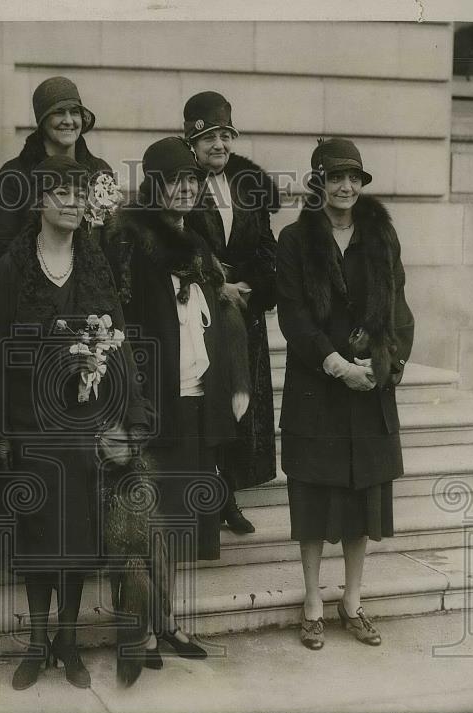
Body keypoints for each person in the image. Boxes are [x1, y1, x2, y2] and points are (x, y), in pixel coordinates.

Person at [0, 155, 150, 691]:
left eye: (80, 193)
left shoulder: (95, 262)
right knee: (36, 534)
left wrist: (130, 418)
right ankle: (36, 643)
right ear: (38, 202)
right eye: (62, 193)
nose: (74, 203)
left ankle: (70, 642)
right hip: (30, 421)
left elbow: (119, 341)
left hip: (84, 422)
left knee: (77, 533)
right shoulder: (12, 269)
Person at [104, 137, 252, 668]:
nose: (187, 189)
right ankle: (139, 631)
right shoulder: (129, 238)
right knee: (141, 519)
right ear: (154, 184)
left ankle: (167, 623)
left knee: (172, 519)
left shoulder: (196, 236)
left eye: (193, 181)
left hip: (193, 397)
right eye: (176, 181)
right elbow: (118, 320)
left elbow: (211, 303)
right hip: (150, 399)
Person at [275, 138, 415, 651]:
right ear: (318, 182)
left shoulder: (382, 236)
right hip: (317, 388)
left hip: (369, 390)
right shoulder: (294, 240)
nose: (346, 186)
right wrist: (336, 365)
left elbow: (399, 307)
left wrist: (385, 367)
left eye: (354, 177)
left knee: (363, 500)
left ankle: (352, 601)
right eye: (335, 177)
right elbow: (293, 316)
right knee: (313, 498)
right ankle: (312, 602)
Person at [184, 91, 280, 536]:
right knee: (209, 403)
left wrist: (250, 285)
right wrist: (214, 282)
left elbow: (265, 244)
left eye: (225, 136)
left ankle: (232, 494)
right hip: (198, 312)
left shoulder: (246, 186)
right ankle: (208, 495)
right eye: (209, 138)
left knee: (241, 405)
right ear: (192, 141)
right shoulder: (179, 182)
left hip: (244, 311)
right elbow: (178, 243)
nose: (218, 145)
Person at [0, 76, 111, 263]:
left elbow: (113, 242)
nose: (68, 121)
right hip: (32, 284)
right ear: (43, 120)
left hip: (92, 283)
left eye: (74, 112)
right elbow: (1, 247)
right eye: (59, 113)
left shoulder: (100, 172)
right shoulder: (13, 176)